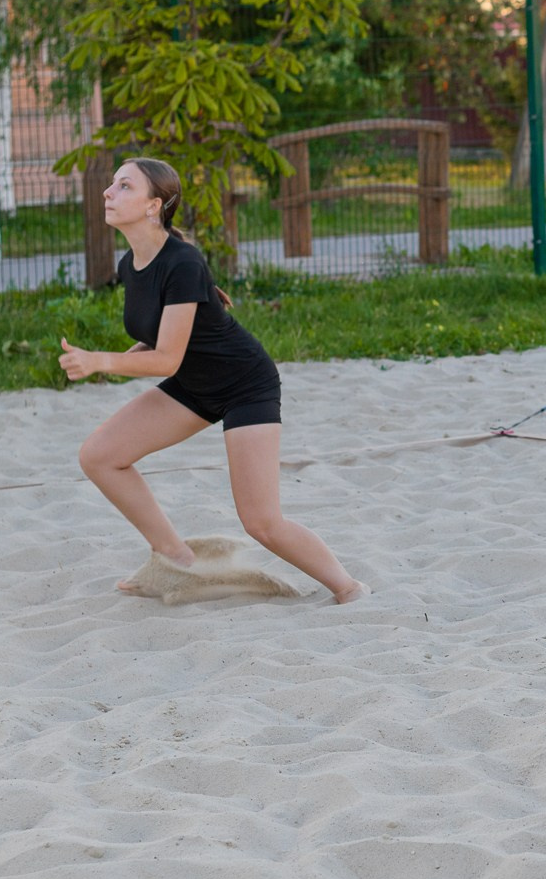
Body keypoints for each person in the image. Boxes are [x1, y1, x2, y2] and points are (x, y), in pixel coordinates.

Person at [58, 157, 366, 604]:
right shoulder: (132, 264)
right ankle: (176, 559)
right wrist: (116, 360)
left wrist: (101, 361)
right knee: (99, 456)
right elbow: (159, 340)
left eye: (123, 186)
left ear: (153, 206)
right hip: (193, 386)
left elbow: (166, 358)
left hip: (246, 386)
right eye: (111, 185)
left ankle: (349, 587)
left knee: (261, 522)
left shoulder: (182, 262)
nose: (108, 192)